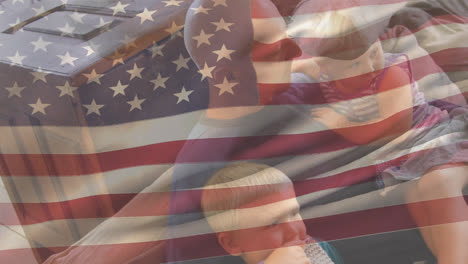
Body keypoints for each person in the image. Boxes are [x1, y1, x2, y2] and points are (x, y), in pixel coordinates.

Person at [289, 3, 468, 263]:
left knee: (438, 184)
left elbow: (389, 129)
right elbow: (296, 64)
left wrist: (338, 123)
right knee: (417, 196)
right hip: (409, 161)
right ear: (327, 66)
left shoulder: (391, 73)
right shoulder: (324, 71)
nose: (371, 65)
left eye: (374, 52)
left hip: (437, 139)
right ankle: (444, 256)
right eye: (354, 65)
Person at [201, 162, 344, 264]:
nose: (293, 231)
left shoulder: (322, 250)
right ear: (232, 244)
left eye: (294, 213)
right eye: (273, 224)